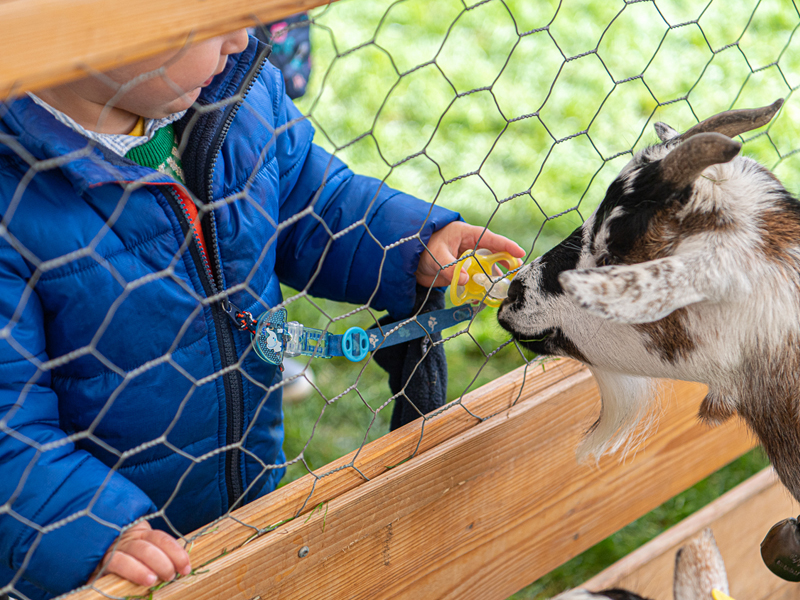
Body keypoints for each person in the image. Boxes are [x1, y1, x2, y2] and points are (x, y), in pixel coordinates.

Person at [0, 29, 524, 599]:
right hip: (103, 559)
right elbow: (8, 428)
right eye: (211, 18)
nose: (240, 36)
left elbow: (316, 200)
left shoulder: (235, 101)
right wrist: (94, 532)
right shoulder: (15, 196)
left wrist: (412, 242)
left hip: (245, 491)